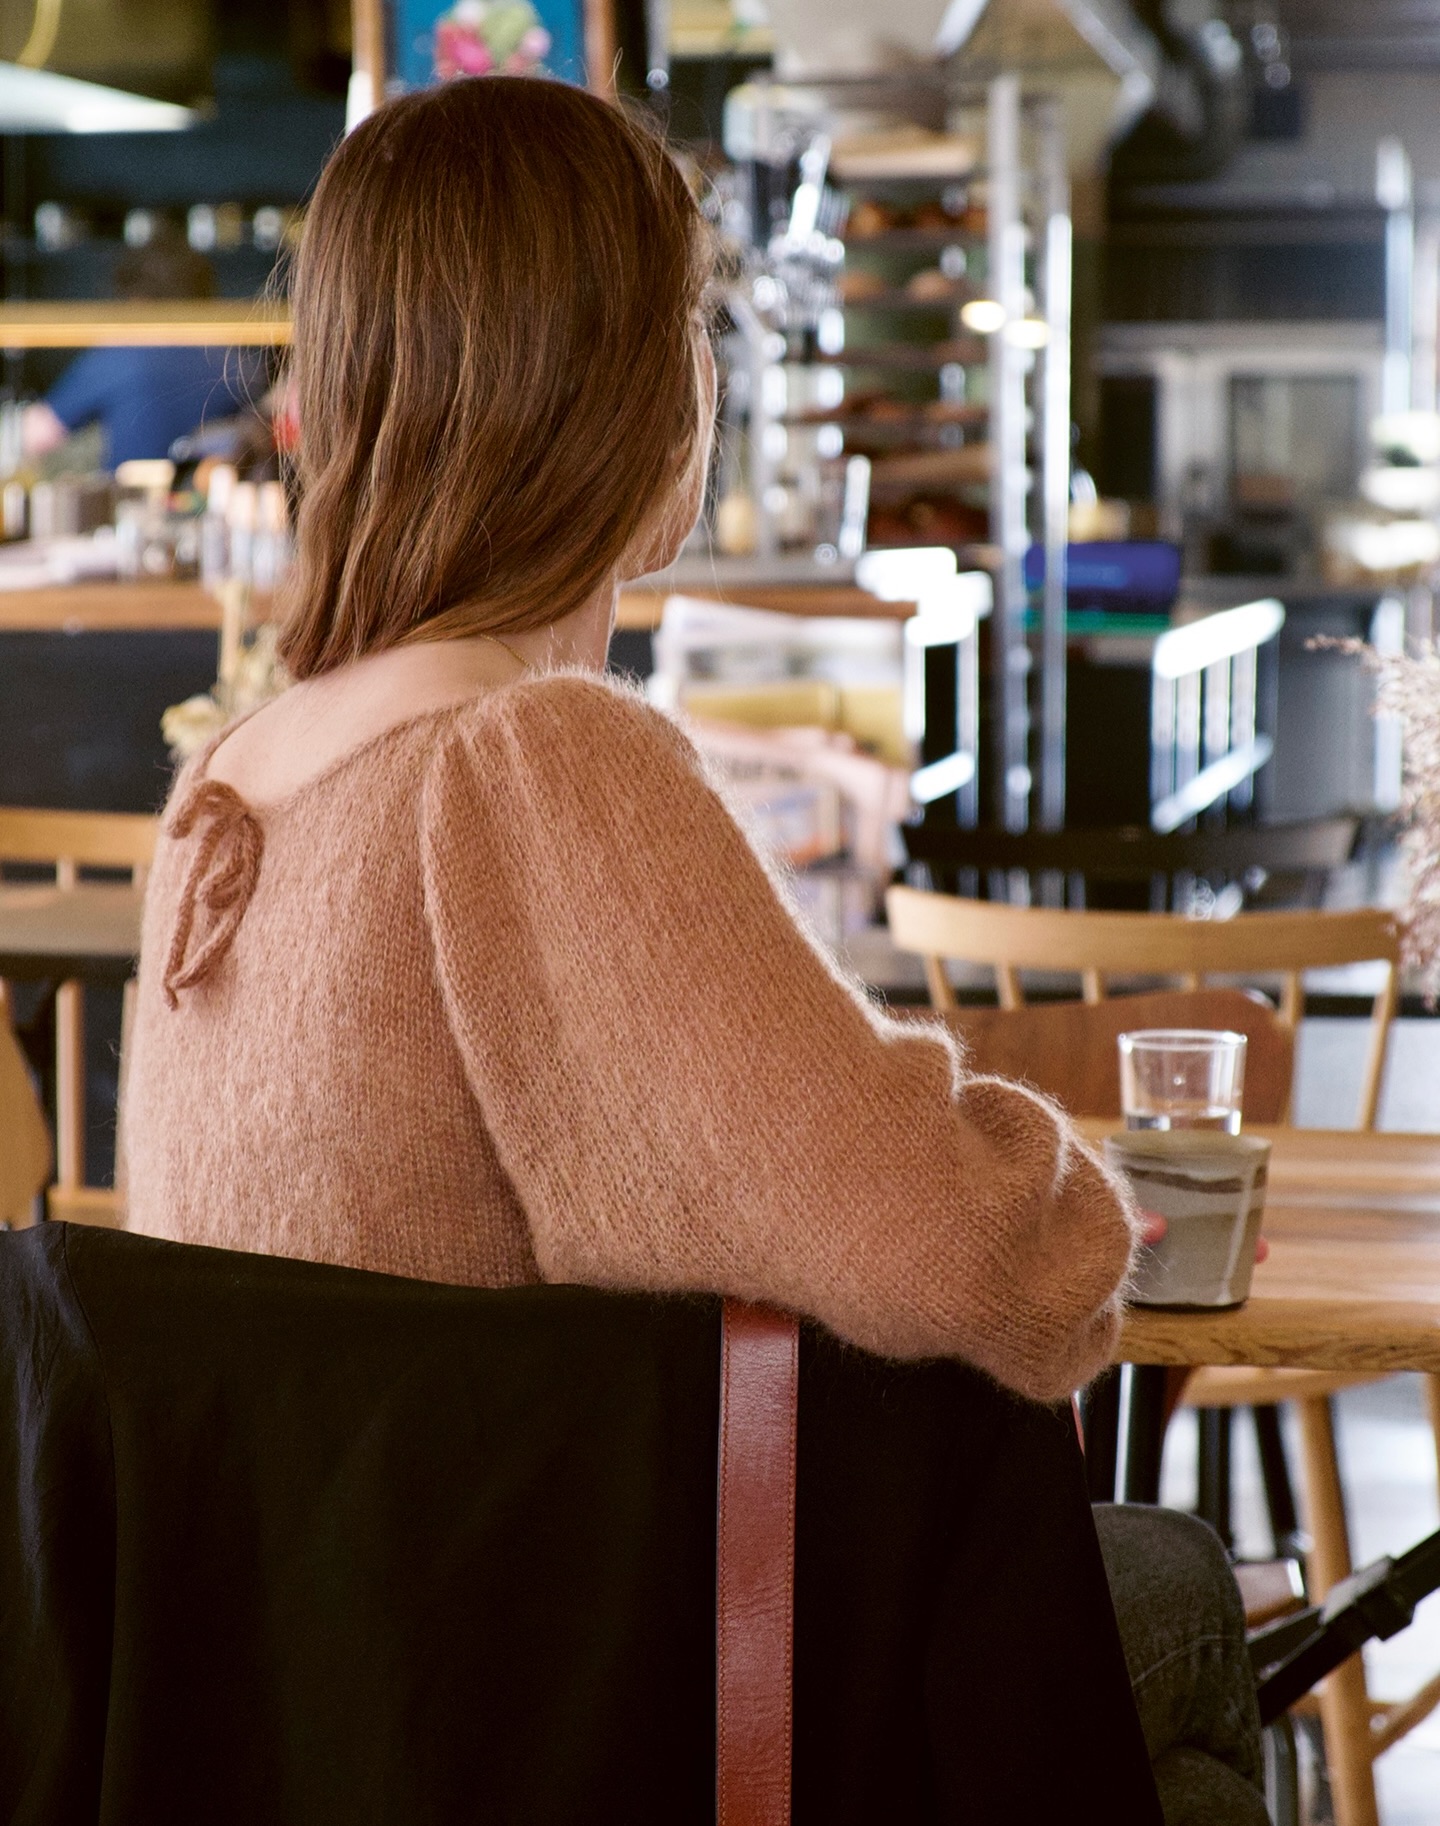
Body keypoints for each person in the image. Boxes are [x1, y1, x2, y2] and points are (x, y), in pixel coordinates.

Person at [118, 78, 1266, 1823]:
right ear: (626, 393)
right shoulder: (532, 761)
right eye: (695, 332)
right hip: (541, 1707)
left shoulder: (226, 794)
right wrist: (1085, 1202)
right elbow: (959, 1258)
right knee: (1174, 1598)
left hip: (312, 1705)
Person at [21, 228, 260, 470]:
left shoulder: (120, 355)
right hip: (213, 499)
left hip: (130, 503)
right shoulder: (235, 362)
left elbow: (36, 434)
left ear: (136, 299)